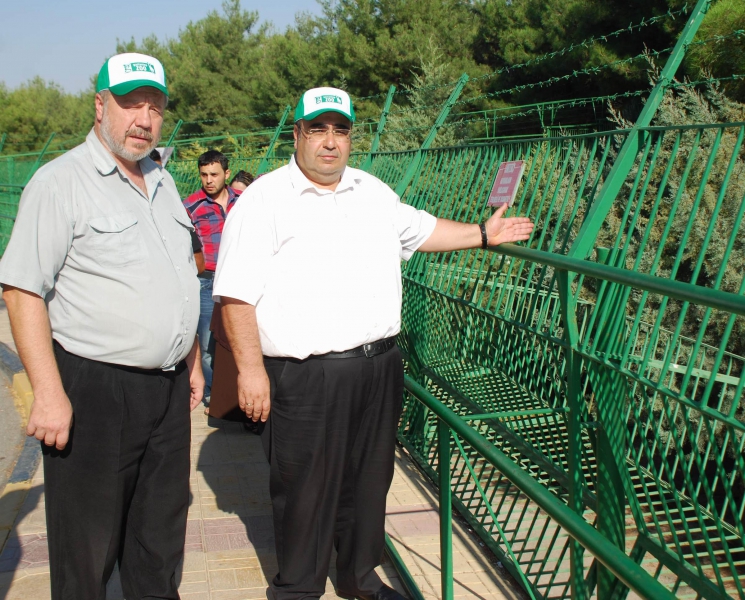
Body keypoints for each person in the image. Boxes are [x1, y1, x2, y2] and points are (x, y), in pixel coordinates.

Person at [213, 87, 534, 600]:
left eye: (340, 130)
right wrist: (250, 372)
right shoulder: (263, 201)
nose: (330, 142)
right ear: (297, 134)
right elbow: (235, 297)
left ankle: (360, 580)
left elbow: (423, 231)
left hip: (378, 367)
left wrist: (481, 233)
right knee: (304, 491)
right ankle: (298, 589)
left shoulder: (373, 192)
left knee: (368, 483)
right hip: (306, 377)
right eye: (318, 129)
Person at [0, 52, 203, 599]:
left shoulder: (162, 179)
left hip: (167, 393)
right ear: (99, 105)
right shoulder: (60, 182)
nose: (144, 119)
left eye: (155, 107)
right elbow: (21, 291)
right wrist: (48, 393)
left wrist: (191, 357)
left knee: (159, 539)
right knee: (87, 551)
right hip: (95, 391)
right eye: (131, 103)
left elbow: (177, 274)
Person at [183, 150, 241, 407]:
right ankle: (211, 394)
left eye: (214, 174)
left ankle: (238, 391)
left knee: (243, 335)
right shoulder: (190, 206)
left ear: (226, 174)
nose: (208, 180)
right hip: (208, 280)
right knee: (207, 343)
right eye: (204, 174)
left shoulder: (244, 200)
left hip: (239, 278)